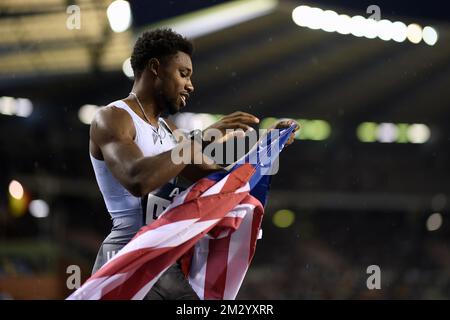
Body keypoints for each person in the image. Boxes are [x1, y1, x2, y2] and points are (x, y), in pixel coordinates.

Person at [89, 28, 298, 300]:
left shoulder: (169, 130)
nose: (190, 85)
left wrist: (266, 146)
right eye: (183, 74)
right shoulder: (113, 118)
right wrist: (199, 140)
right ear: (155, 68)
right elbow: (137, 179)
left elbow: (215, 182)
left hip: (163, 256)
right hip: (127, 253)